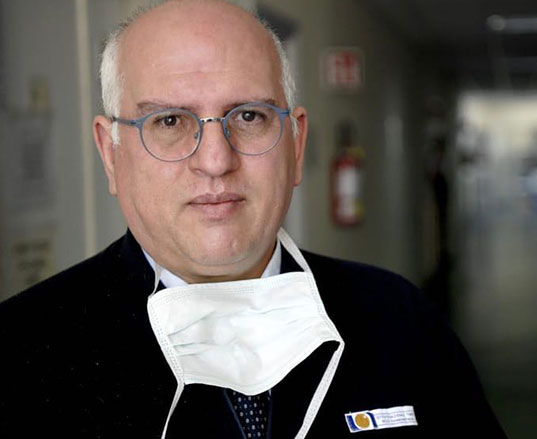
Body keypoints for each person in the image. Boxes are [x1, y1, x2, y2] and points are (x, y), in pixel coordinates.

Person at [0, 1, 506, 438]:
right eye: (169, 121)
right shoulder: (21, 354)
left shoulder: (399, 321)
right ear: (111, 154)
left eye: (248, 116)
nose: (215, 160)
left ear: (296, 143)